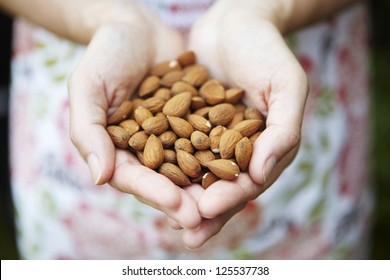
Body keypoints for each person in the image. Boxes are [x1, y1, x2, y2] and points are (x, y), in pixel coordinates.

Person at [0, 0, 373, 259]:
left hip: (290, 90)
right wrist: (105, 14)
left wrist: (264, 9)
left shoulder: (219, 118)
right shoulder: (146, 118)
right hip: (83, 101)